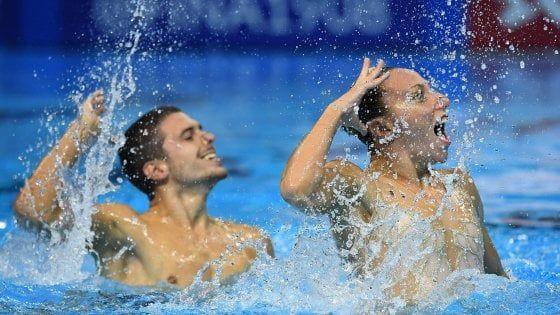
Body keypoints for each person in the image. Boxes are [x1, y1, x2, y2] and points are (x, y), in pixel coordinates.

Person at [280, 58, 506, 303]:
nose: (442, 100)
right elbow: (296, 189)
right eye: (419, 96)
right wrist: (336, 110)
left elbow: (498, 281)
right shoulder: (357, 187)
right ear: (383, 129)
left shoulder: (458, 185)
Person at [13, 90, 273, 287]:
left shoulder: (250, 243)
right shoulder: (127, 229)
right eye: (188, 135)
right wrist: (81, 134)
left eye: (201, 130)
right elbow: (34, 210)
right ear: (157, 169)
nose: (209, 137)